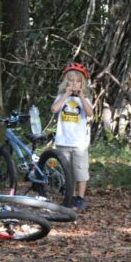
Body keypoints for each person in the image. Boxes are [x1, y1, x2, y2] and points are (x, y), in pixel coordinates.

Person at [51, 62, 93, 211]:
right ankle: (70, 197)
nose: (74, 83)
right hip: (63, 141)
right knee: (67, 172)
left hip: (79, 144)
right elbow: (54, 109)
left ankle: (80, 198)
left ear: (82, 83)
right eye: (71, 80)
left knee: (80, 171)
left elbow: (90, 113)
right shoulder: (62, 96)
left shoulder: (85, 98)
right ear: (65, 81)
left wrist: (81, 96)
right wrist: (66, 95)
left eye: (77, 80)